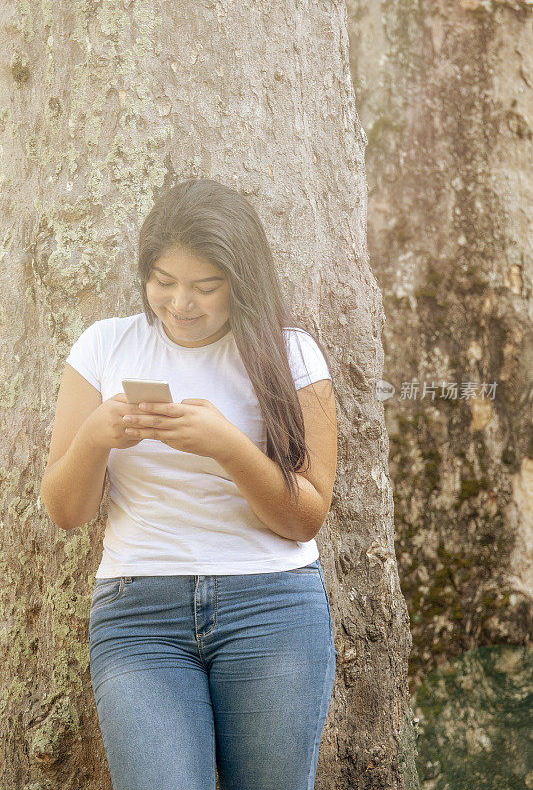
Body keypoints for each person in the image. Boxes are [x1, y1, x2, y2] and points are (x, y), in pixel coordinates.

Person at [40, 177, 338, 790]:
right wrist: (97, 435)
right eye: (163, 282)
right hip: (139, 615)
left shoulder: (291, 354)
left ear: (241, 280)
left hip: (272, 608)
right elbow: (66, 511)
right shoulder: (103, 346)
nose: (181, 304)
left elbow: (306, 517)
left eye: (206, 287)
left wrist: (226, 445)